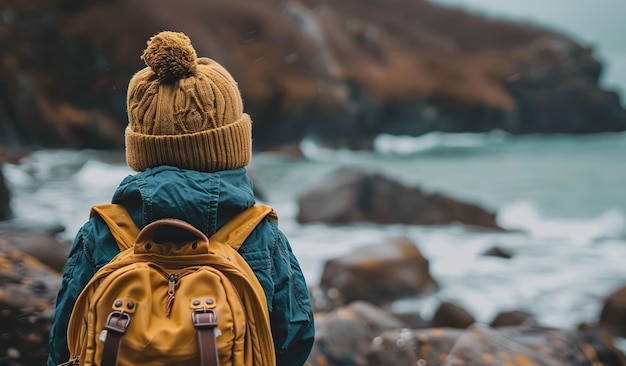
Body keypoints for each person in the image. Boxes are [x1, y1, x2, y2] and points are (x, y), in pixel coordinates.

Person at [47, 30, 315, 366]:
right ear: (231, 145)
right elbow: (295, 335)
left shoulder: (101, 232)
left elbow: (64, 340)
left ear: (141, 147)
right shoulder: (261, 234)